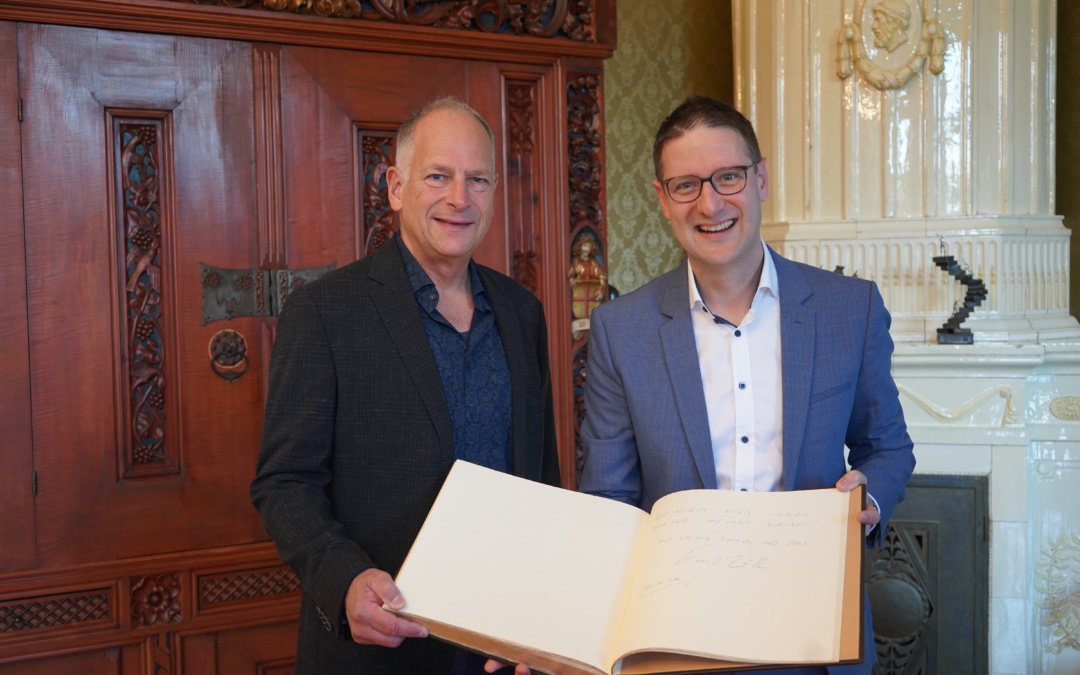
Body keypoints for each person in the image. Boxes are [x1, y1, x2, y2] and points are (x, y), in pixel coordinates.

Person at [577, 95, 916, 675]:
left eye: (728, 177)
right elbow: (608, 502)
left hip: (816, 633)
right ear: (662, 199)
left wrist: (871, 496)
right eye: (685, 185)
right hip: (677, 638)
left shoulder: (848, 310)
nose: (710, 203)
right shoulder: (620, 329)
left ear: (759, 179)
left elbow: (887, 448)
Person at [250, 96, 558, 675]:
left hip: (503, 648)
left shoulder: (522, 313)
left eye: (478, 179)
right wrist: (343, 580)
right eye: (438, 176)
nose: (459, 199)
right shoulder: (324, 312)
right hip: (377, 653)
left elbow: (542, 476)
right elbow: (284, 482)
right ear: (396, 186)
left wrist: (546, 616)